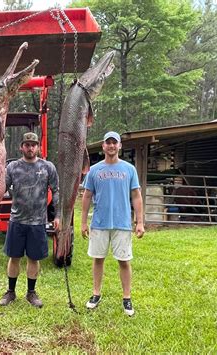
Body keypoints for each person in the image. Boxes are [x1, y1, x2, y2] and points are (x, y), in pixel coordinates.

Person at [81, 131, 144, 316]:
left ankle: (127, 298)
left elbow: (136, 195)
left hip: (122, 223)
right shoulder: (94, 170)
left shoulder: (129, 169)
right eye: (108, 143)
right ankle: (96, 294)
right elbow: (86, 196)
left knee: (124, 261)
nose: (111, 146)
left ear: (119, 146)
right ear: (103, 146)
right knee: (98, 259)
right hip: (99, 222)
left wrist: (139, 222)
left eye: (114, 143)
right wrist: (83, 222)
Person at [0, 132, 60, 308]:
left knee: (34, 259)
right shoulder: (12, 168)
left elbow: (56, 191)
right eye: (27, 144)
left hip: (38, 222)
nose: (30, 147)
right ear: (21, 147)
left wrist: (57, 215)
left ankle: (31, 293)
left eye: (33, 144)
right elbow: (1, 188)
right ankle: (10, 292)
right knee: (14, 257)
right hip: (17, 220)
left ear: (38, 147)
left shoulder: (48, 167)